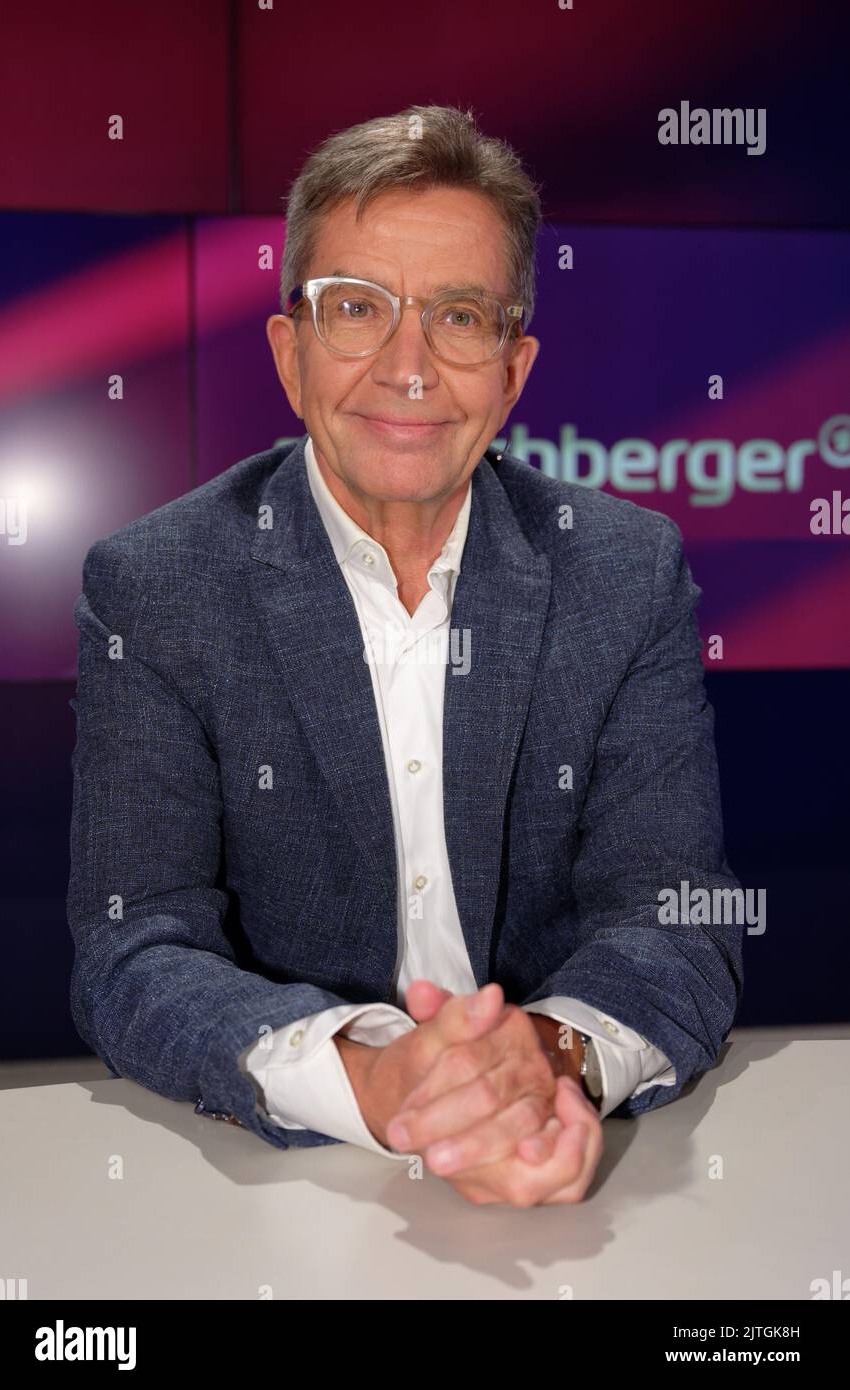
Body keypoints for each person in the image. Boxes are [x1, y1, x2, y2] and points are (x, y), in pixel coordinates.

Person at [67, 104, 743, 1208]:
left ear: (513, 371)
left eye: (460, 316)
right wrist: (375, 1078)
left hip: (571, 1180)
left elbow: (673, 914)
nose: (409, 368)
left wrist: (538, 1065)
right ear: (289, 353)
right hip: (281, 1198)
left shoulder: (625, 572)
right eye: (355, 309)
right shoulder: (158, 585)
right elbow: (133, 945)